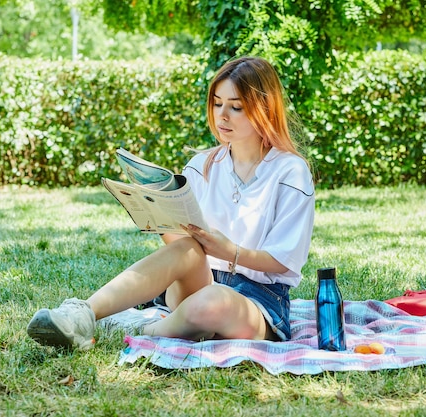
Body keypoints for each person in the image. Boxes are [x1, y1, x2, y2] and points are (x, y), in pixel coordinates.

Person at [26, 56, 315, 350]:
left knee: (212, 303)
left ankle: (142, 328)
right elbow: (182, 247)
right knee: (188, 250)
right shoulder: (202, 164)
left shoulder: (289, 172)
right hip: (197, 282)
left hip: (259, 300)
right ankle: (81, 314)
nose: (222, 115)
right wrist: (158, 217)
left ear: (264, 109)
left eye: (236, 106)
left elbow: (283, 261)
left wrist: (230, 251)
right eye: (217, 103)